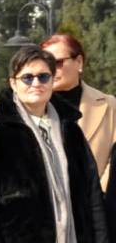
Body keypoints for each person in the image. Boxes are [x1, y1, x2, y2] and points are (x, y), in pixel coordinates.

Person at [0, 44, 107, 243]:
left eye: (43, 76)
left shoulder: (69, 126)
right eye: (27, 78)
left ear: (52, 80)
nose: (36, 84)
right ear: (13, 83)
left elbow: (90, 190)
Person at [42, 32, 116, 191]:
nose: (51, 70)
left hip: (99, 204)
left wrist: (99, 194)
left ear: (79, 61)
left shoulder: (109, 105)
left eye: (58, 62)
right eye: (46, 64)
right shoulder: (33, 108)